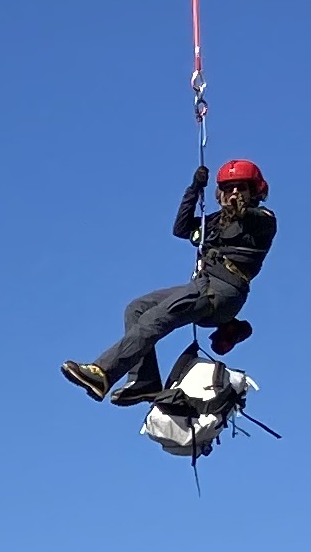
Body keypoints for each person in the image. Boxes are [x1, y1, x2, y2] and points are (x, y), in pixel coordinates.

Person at [62, 157, 277, 406]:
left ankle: (103, 373)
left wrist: (238, 209)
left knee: (157, 319)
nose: (235, 193)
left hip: (223, 290)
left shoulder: (264, 218)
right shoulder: (215, 222)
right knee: (137, 308)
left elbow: (249, 218)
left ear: (255, 191)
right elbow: (181, 228)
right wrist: (194, 189)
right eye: (229, 188)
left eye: (241, 187)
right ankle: (145, 383)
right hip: (202, 286)